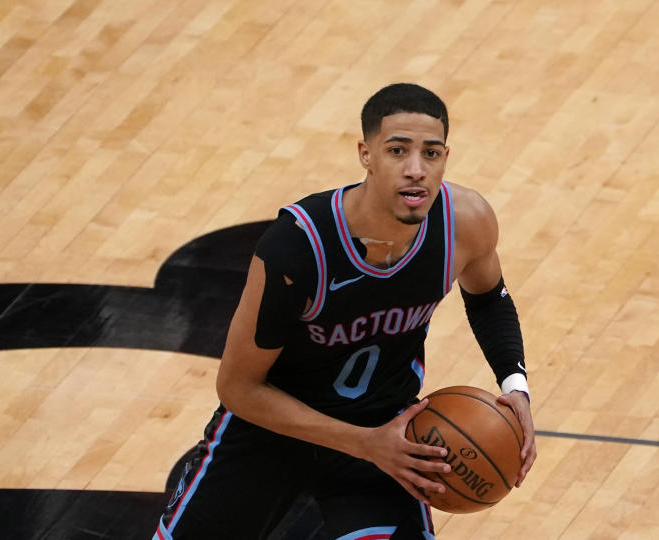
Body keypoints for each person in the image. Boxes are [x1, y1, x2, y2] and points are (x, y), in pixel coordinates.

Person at [153, 83, 536, 540]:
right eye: (398, 150)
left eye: (431, 154)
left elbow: (489, 297)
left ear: (446, 158)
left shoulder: (464, 221)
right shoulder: (298, 247)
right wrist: (364, 444)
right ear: (365, 154)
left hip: (387, 430)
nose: (416, 170)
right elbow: (238, 387)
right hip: (272, 431)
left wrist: (515, 386)